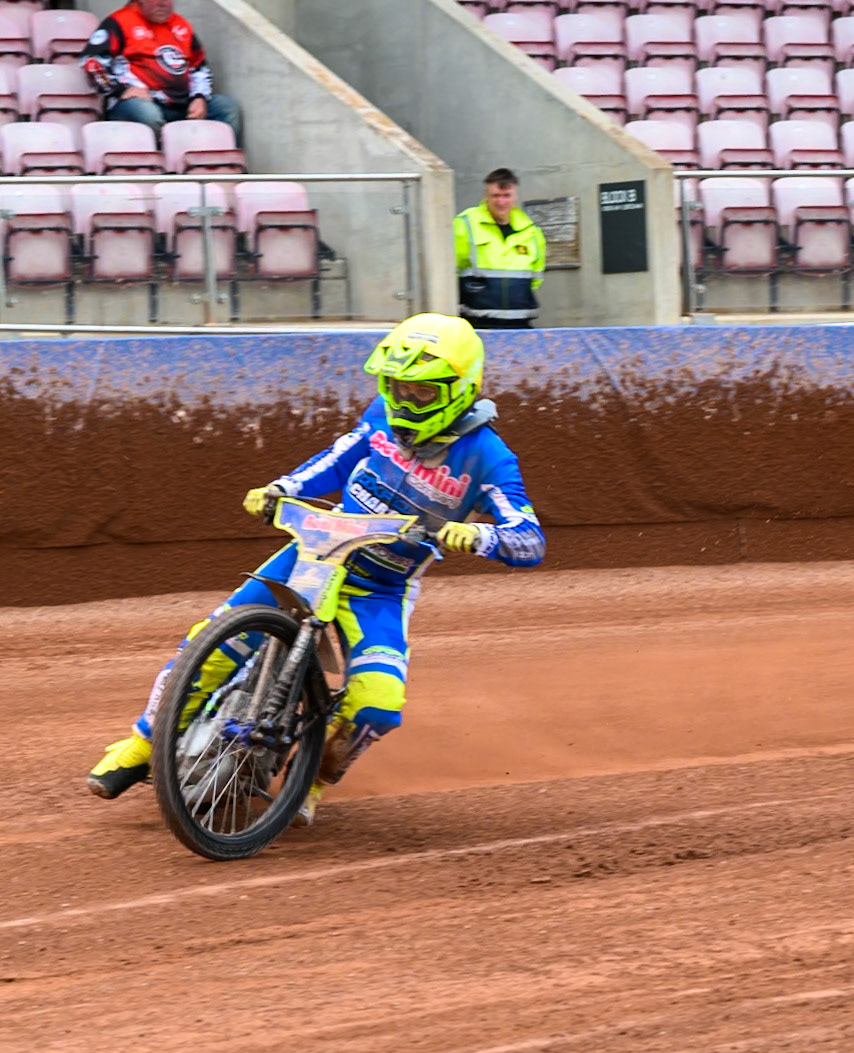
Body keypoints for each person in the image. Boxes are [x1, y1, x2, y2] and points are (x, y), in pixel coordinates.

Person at [86, 315, 547, 823]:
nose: (404, 401)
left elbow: (529, 538)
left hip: (380, 589)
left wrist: (480, 536)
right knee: (212, 642)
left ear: (462, 389)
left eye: (421, 392)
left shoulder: (488, 457)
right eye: (396, 387)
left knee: (377, 707)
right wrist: (282, 488)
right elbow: (340, 457)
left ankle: (315, 779)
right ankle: (141, 746)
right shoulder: (381, 415)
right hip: (315, 553)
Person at [82, 0, 242, 141]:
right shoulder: (119, 22)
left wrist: (199, 97)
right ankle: (165, 162)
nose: (162, 3)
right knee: (147, 114)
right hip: (137, 104)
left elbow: (199, 67)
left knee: (226, 107)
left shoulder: (181, 25)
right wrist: (121, 90)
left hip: (183, 104)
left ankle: (222, 164)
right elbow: (91, 62)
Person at [455, 169, 548, 331]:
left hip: (520, 325)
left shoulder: (531, 231)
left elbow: (535, 278)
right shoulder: (465, 224)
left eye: (506, 196)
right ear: (486, 196)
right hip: (476, 324)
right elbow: (448, 271)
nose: (501, 202)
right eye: (495, 196)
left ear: (515, 196)